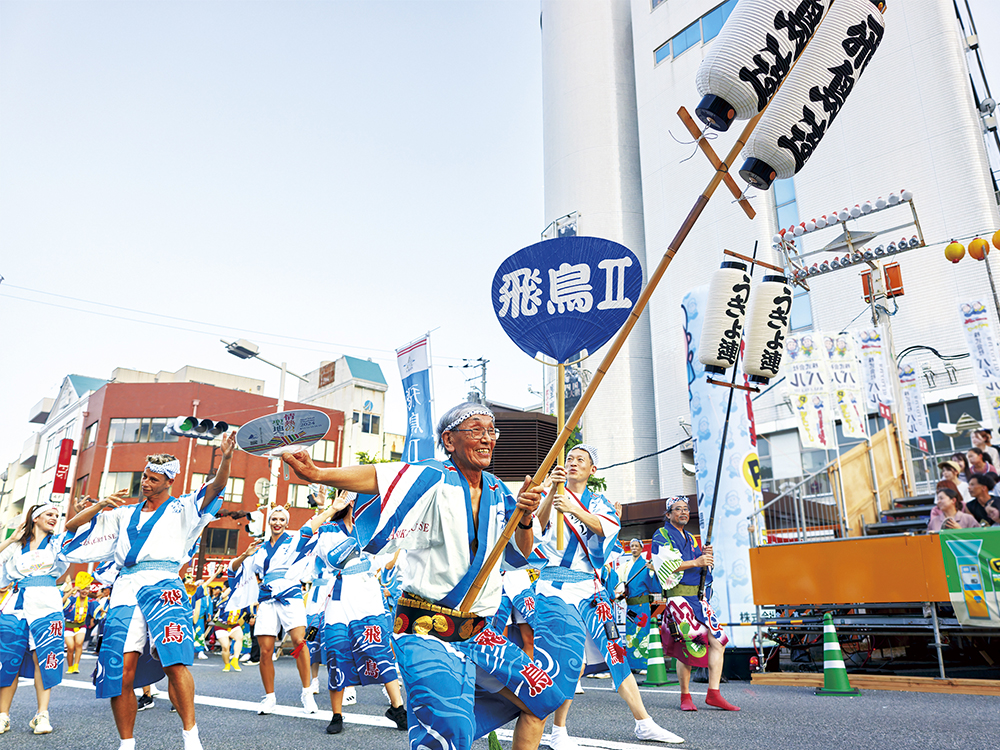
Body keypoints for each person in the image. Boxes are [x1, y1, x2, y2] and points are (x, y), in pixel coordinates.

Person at [282, 402, 562, 750]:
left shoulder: (498, 490)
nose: (488, 439)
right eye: (476, 430)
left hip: (478, 630)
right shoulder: (432, 476)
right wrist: (319, 474)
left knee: (544, 698)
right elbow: (378, 476)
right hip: (425, 627)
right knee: (449, 733)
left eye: (492, 431)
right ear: (449, 440)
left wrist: (524, 516)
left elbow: (519, 554)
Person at [62, 437, 235, 750]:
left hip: (164, 583)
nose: (145, 481)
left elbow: (215, 487)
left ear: (169, 480)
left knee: (174, 663)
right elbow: (72, 528)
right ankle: (126, 743)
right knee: (120, 670)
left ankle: (191, 737)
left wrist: (226, 459)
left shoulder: (183, 507)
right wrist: (101, 504)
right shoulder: (122, 513)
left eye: (153, 478)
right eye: (144, 475)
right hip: (125, 590)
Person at [531, 447, 683, 750]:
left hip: (591, 587)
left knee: (616, 653)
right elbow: (536, 530)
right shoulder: (550, 492)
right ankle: (558, 731)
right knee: (568, 658)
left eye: (580, 461)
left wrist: (574, 510)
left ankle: (644, 723)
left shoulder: (598, 502)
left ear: (592, 470)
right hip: (555, 587)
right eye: (569, 460)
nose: (573, 464)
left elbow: (607, 528)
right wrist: (550, 493)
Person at [311, 492, 407, 735]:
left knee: (379, 648)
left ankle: (397, 708)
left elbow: (383, 560)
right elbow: (332, 561)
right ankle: (337, 714)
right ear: (351, 502)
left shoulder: (374, 529)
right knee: (337, 652)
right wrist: (332, 508)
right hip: (340, 599)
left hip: (367, 597)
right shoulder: (329, 530)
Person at [227, 504, 321, 715]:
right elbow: (234, 570)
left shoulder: (293, 540)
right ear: (268, 522)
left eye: (281, 520)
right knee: (266, 650)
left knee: (299, 643)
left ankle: (307, 693)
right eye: (273, 519)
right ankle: (269, 697)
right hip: (267, 598)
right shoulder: (259, 548)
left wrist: (333, 508)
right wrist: (245, 554)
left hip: (290, 594)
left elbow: (311, 525)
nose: (277, 523)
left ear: (287, 523)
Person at [651, 498, 740, 712]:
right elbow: (663, 564)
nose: (683, 512)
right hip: (679, 599)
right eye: (677, 509)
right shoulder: (661, 535)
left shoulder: (690, 537)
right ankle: (685, 696)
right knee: (688, 649)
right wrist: (697, 562)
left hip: (699, 600)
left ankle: (714, 693)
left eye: (685, 509)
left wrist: (705, 559)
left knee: (719, 642)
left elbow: (702, 569)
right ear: (668, 514)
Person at [0, 504, 72, 734]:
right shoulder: (17, 547)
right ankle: (3, 715)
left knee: (44, 656)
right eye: (49, 514)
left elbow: (78, 536)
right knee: (10, 658)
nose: (54, 518)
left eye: (57, 516)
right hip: (16, 605)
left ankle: (42, 714)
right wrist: (11, 540)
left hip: (47, 603)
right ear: (36, 518)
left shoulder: (58, 543)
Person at [618, 538, 659, 673]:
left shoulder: (646, 565)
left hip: (642, 605)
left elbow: (654, 584)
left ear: (641, 549)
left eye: (636, 546)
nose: (634, 548)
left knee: (642, 632)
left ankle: (642, 664)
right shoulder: (625, 566)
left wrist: (653, 570)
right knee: (630, 633)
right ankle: (632, 664)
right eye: (632, 546)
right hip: (630, 605)